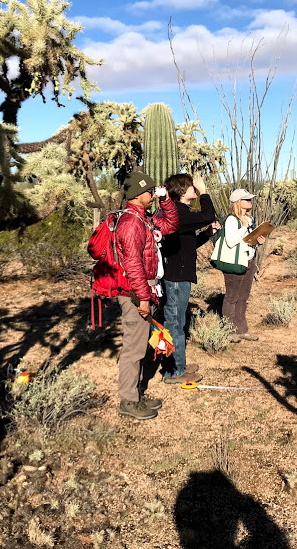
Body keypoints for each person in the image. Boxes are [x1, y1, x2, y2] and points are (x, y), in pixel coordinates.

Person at [114, 172, 179, 420]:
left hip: (145, 290)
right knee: (133, 349)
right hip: (135, 293)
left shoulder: (144, 219)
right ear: (137, 195)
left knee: (140, 346)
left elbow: (171, 225)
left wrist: (165, 201)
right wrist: (143, 298)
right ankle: (128, 401)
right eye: (150, 192)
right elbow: (132, 265)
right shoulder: (131, 224)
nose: (153, 194)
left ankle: (136, 393)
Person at [160, 174, 220, 384]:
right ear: (181, 190)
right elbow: (207, 214)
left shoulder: (180, 214)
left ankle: (178, 364)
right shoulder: (177, 212)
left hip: (179, 275)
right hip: (175, 278)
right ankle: (174, 372)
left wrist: (206, 234)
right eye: (191, 185)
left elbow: (188, 245)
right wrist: (204, 191)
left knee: (177, 323)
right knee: (174, 324)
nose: (195, 187)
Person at [221, 189, 265, 343]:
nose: (250, 202)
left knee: (243, 297)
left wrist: (257, 240)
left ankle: (242, 329)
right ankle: (229, 330)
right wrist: (244, 227)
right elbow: (231, 241)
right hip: (234, 262)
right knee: (232, 296)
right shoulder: (231, 220)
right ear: (238, 202)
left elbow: (246, 241)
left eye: (250, 199)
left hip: (249, 261)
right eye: (246, 200)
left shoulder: (249, 219)